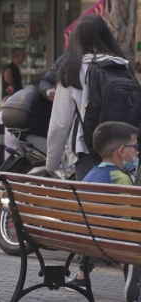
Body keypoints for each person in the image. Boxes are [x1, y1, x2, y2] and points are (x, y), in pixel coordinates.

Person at [46, 14, 129, 180]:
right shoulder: (121, 65)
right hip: (123, 149)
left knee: (90, 201)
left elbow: (60, 122)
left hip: (87, 148)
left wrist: (52, 163)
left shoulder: (74, 68)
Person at [70, 121, 139, 302]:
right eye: (135, 146)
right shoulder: (120, 178)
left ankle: (84, 273)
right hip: (112, 241)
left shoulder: (90, 175)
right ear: (122, 151)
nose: (138, 152)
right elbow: (127, 218)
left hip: (85, 240)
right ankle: (132, 267)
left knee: (94, 224)